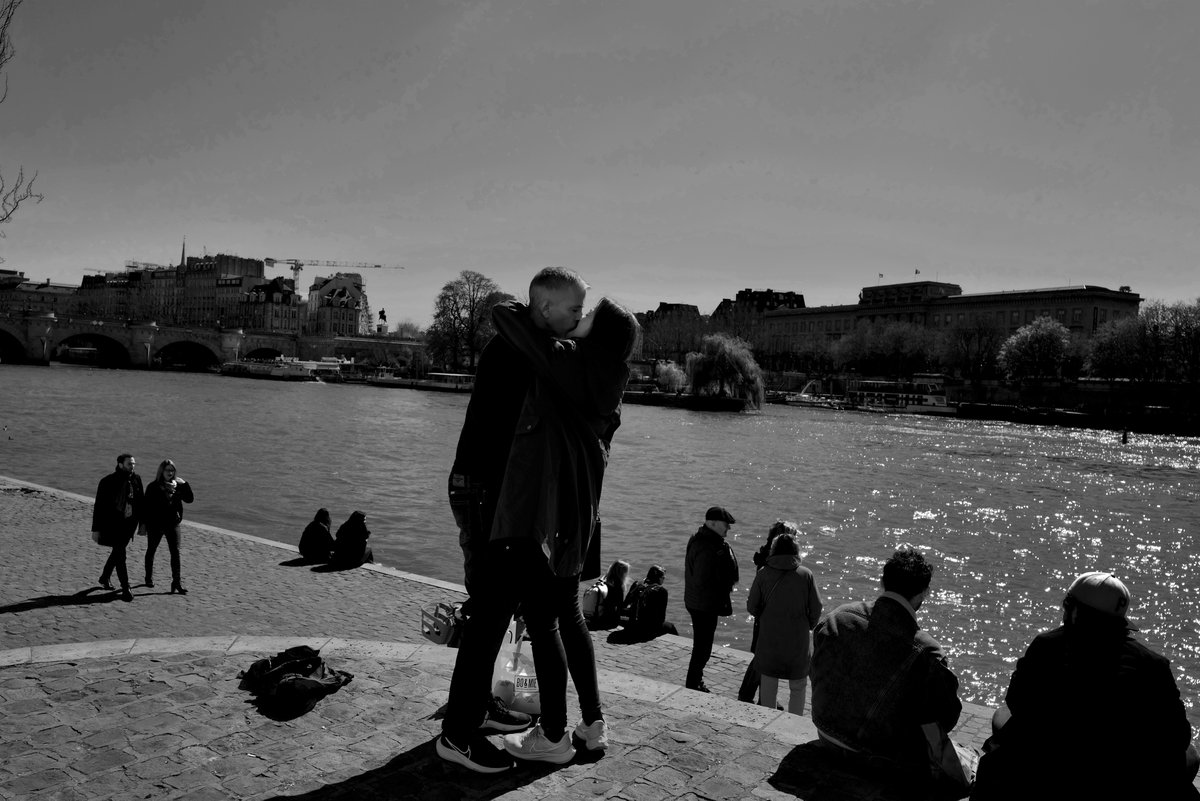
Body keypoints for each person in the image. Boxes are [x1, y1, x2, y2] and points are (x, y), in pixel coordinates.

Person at [437, 268, 608, 773]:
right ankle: (458, 734)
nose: (579, 317)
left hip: (500, 493)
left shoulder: (526, 344)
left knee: (500, 610)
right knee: (492, 611)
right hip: (486, 491)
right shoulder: (518, 350)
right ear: (544, 307)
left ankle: (475, 717)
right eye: (573, 308)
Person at [972, 571, 1200, 801]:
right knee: (1189, 755)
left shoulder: (1046, 646)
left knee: (1002, 717)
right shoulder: (1153, 665)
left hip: (1043, 768)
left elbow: (1017, 700)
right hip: (1125, 778)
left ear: (1075, 612)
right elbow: (1178, 735)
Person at [810, 545, 971, 796]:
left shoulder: (837, 617)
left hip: (825, 732)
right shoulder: (927, 652)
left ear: (882, 582)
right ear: (923, 593)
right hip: (875, 756)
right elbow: (946, 719)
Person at [746, 531, 821, 715]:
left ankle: (767, 719)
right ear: (796, 551)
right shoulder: (806, 575)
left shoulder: (764, 573)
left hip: (770, 636)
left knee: (769, 681)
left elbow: (751, 606)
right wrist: (808, 625)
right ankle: (793, 722)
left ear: (774, 550)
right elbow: (817, 607)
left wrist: (764, 616)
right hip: (798, 639)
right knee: (798, 685)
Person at [683, 505, 740, 692]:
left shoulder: (704, 540)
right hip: (704, 605)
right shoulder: (708, 546)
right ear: (713, 523)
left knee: (702, 645)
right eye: (726, 524)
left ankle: (695, 680)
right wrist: (722, 587)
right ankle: (693, 682)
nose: (729, 528)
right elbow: (703, 579)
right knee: (703, 647)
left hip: (700, 602)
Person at [738, 519, 795, 703]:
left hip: (763, 615)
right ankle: (751, 695)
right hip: (770, 616)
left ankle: (764, 696)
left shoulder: (765, 558)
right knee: (764, 657)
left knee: (765, 656)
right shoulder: (773, 564)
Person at [91, 453, 144, 602]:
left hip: (129, 525)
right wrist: (96, 529)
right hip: (113, 524)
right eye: (129, 464)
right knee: (121, 555)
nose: (132, 466)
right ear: (120, 464)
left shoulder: (136, 479)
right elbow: (99, 507)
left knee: (117, 552)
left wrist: (142, 524)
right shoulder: (107, 481)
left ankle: (105, 576)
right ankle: (126, 588)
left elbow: (141, 503)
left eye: (133, 464)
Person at [141, 459, 194, 594]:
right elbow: (146, 507)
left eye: (172, 470)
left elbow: (189, 499)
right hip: (156, 525)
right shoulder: (153, 486)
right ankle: (148, 577)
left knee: (175, 553)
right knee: (151, 550)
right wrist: (143, 525)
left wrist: (185, 484)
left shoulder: (178, 486)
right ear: (161, 471)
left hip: (173, 524)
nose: (170, 473)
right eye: (167, 470)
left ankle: (176, 582)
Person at [618, 565, 678, 640]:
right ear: (659, 578)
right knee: (671, 627)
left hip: (629, 623)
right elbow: (661, 618)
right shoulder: (661, 591)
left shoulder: (636, 584)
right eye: (663, 578)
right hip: (645, 628)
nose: (664, 580)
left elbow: (625, 604)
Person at [587, 560, 629, 630]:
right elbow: (620, 607)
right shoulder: (617, 585)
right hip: (608, 620)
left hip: (595, 615)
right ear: (621, 573)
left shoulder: (603, 579)